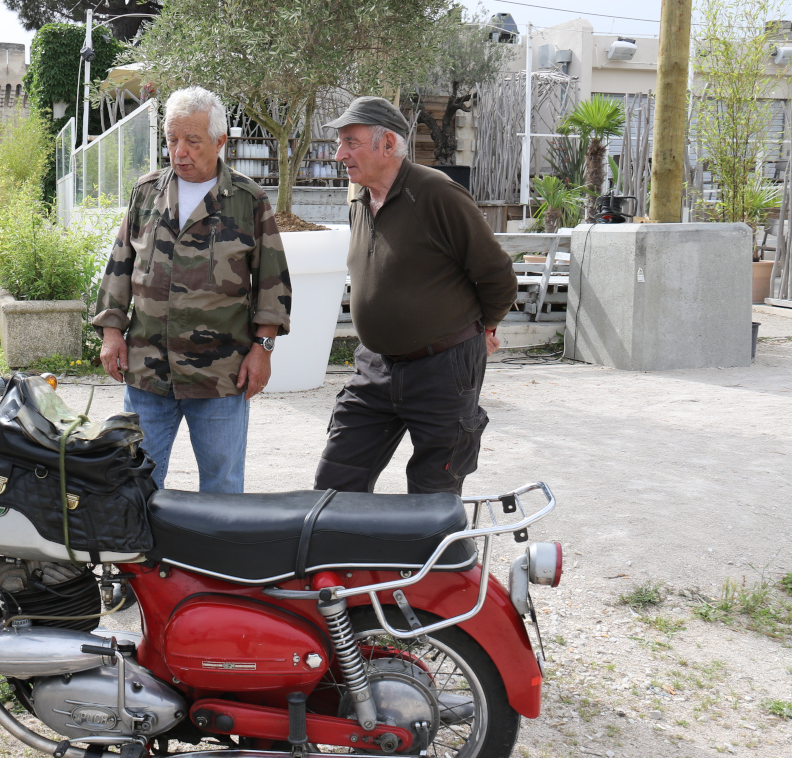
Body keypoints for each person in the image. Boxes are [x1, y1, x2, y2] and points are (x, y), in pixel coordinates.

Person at [93, 86, 291, 493]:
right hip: (148, 371)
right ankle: (142, 559)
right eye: (172, 139)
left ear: (220, 141)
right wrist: (111, 333)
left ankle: (214, 559)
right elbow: (120, 265)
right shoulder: (146, 192)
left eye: (192, 141)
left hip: (220, 376)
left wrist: (263, 350)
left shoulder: (248, 200)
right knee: (135, 484)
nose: (179, 151)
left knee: (222, 487)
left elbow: (273, 284)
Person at [314, 97, 516, 495]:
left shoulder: (438, 193)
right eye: (340, 144)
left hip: (443, 369)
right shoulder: (359, 199)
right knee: (335, 482)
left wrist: (485, 327)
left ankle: (441, 559)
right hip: (375, 366)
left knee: (433, 492)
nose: (340, 155)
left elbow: (497, 276)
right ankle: (347, 559)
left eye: (350, 142)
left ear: (388, 145)